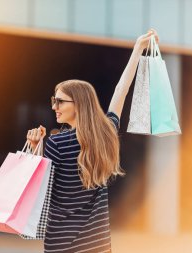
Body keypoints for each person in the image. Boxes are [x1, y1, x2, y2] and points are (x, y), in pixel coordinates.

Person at [27, 29, 159, 253]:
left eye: (59, 101)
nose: (54, 107)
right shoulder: (106, 133)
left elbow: (40, 191)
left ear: (77, 104)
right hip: (97, 245)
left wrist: (34, 150)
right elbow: (122, 91)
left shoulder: (56, 144)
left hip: (61, 244)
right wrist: (137, 49)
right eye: (53, 100)